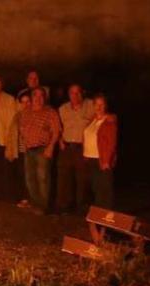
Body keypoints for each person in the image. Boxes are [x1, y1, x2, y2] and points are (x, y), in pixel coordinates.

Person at [18, 87, 61, 214]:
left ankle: (43, 206)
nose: (38, 98)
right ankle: (35, 203)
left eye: (41, 96)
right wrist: (25, 142)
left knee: (43, 178)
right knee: (30, 178)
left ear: (45, 98)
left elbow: (56, 131)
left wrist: (51, 147)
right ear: (32, 97)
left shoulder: (50, 112)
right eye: (36, 96)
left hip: (43, 148)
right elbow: (22, 128)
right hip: (29, 149)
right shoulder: (26, 111)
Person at [56, 83, 95, 213]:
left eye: (78, 92)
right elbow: (58, 126)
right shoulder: (63, 109)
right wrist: (60, 140)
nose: (75, 95)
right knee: (65, 178)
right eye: (72, 93)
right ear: (69, 94)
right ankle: (65, 206)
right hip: (67, 147)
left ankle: (82, 207)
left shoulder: (90, 105)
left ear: (82, 93)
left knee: (83, 178)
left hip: (82, 147)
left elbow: (100, 117)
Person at [82, 93, 117, 208]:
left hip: (102, 160)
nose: (99, 107)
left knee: (105, 190)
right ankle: (98, 216)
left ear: (105, 106)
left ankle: (106, 218)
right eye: (96, 104)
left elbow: (111, 142)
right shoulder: (93, 119)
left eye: (101, 104)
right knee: (96, 188)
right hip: (91, 158)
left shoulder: (109, 121)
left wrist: (106, 160)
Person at [5, 93, 32, 206]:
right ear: (19, 104)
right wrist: (10, 150)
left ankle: (33, 198)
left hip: (31, 151)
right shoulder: (17, 116)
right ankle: (24, 198)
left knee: (31, 175)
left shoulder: (35, 115)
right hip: (20, 151)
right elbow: (11, 134)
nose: (25, 104)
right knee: (22, 174)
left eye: (28, 102)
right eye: (23, 102)